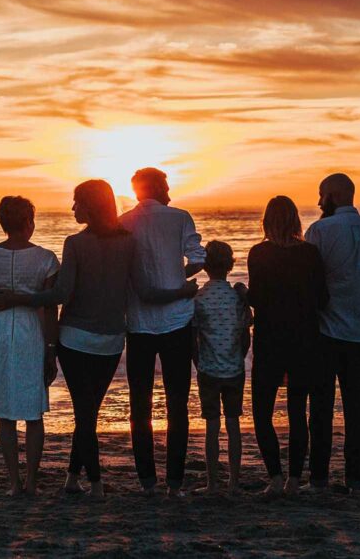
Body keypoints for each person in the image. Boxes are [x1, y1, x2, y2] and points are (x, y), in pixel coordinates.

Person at [0, 179, 194, 499]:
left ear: (91, 206)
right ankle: (73, 478)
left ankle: (97, 485)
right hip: (111, 341)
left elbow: (60, 294)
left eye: (77, 203)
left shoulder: (74, 243)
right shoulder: (128, 242)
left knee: (85, 415)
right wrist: (181, 290)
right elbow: (144, 291)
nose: (72, 209)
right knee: (87, 412)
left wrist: (17, 297)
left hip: (74, 339)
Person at [303, 173, 360, 494]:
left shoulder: (318, 231)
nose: (318, 202)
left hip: (325, 333)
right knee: (357, 409)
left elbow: (308, 283)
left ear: (335, 195)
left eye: (321, 195)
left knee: (321, 409)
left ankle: (319, 479)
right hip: (359, 334)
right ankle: (355, 480)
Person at [119, 167, 206, 497]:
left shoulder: (123, 222)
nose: (170, 191)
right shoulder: (180, 217)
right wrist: (177, 275)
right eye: (167, 185)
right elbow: (198, 258)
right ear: (159, 186)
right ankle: (175, 483)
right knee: (177, 403)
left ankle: (146, 481)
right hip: (177, 322)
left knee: (139, 404)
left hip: (138, 324)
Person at [0, 196, 59, 496]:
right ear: (29, 222)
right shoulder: (46, 258)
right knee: (33, 412)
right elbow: (51, 309)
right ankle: (31, 481)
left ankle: (14, 483)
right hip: (31, 331)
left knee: (6, 413)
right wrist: (51, 349)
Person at [247, 196, 327, 497]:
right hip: (305, 339)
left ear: (267, 221)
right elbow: (323, 300)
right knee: (297, 411)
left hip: (270, 340)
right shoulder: (310, 253)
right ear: (295, 220)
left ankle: (276, 478)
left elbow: (257, 298)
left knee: (262, 411)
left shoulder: (258, 253)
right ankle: (294, 479)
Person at [190, 241, 248, 496]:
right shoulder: (237, 296)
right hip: (234, 368)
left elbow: (193, 336)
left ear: (204, 266)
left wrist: (198, 362)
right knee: (233, 424)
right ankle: (234, 482)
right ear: (230, 265)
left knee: (212, 427)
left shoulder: (199, 298)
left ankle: (213, 483)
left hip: (209, 370)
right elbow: (246, 333)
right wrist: (240, 356)